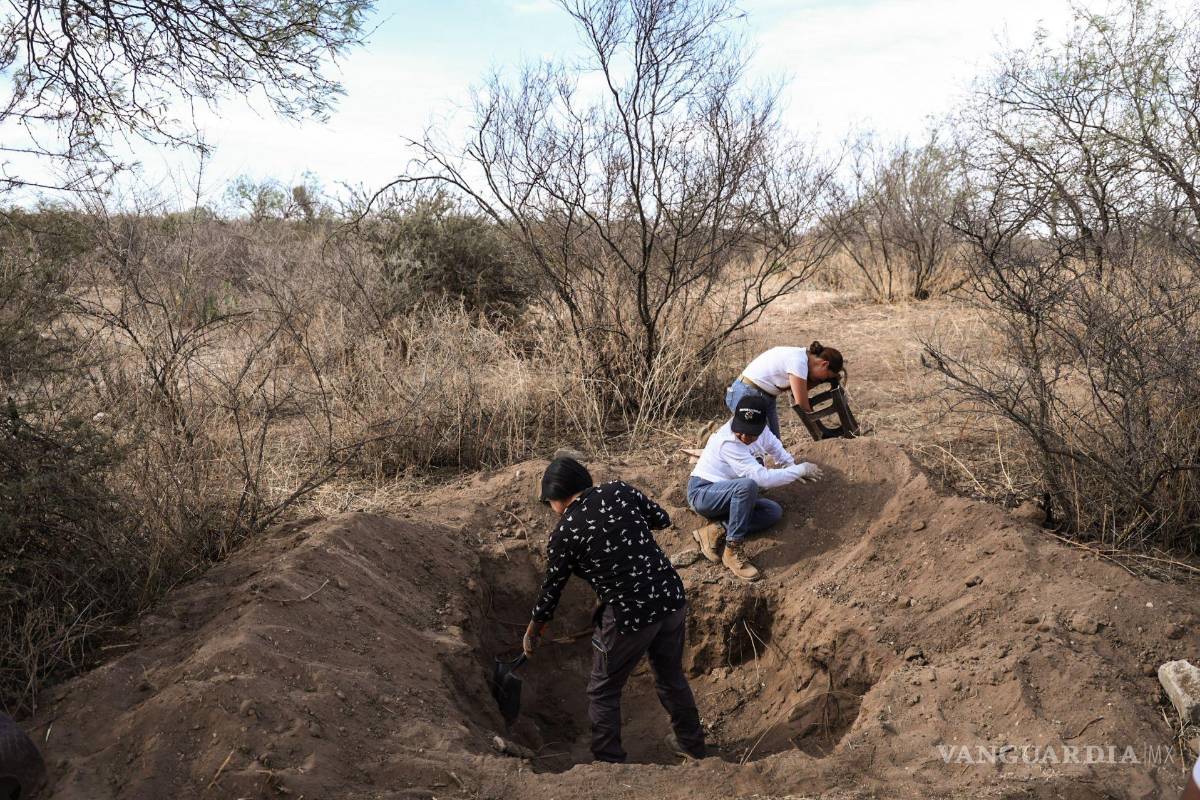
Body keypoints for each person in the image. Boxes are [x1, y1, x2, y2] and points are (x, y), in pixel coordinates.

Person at [522, 456, 706, 763]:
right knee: (670, 675)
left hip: (629, 615)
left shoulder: (565, 532)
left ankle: (608, 764)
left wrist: (534, 629)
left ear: (557, 497)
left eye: (550, 502)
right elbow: (661, 518)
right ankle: (692, 745)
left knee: (602, 690)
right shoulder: (618, 490)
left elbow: (552, 587)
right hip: (670, 596)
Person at [687, 395, 823, 580]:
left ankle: (715, 530)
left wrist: (791, 466)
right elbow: (762, 479)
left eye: (751, 433)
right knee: (748, 485)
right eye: (740, 431)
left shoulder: (763, 432)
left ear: (762, 426)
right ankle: (732, 550)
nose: (744, 436)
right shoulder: (727, 442)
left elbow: (777, 450)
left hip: (728, 494)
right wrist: (799, 470)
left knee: (772, 512)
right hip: (703, 493)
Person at [725, 341, 844, 438]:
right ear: (824, 364)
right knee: (757, 441)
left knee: (774, 443)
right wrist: (823, 433)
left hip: (765, 396)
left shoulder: (802, 358)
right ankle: (716, 435)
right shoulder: (799, 362)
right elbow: (802, 405)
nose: (823, 379)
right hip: (747, 393)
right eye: (826, 376)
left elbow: (795, 392)